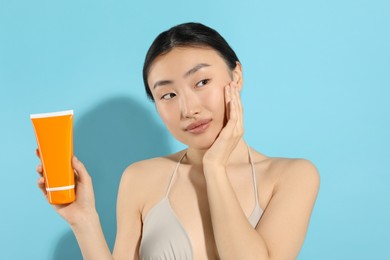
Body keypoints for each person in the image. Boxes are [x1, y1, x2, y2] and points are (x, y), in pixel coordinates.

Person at [36, 22, 320, 260]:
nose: (188, 109)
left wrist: (215, 167)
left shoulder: (291, 176)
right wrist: (83, 221)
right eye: (168, 95)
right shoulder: (140, 178)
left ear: (236, 75)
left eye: (201, 82)